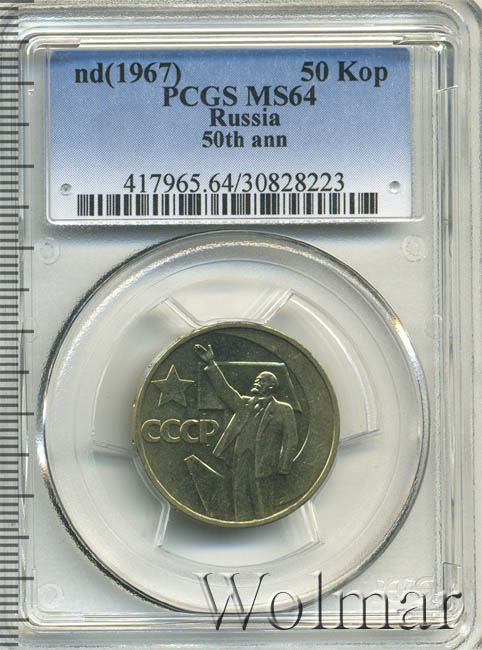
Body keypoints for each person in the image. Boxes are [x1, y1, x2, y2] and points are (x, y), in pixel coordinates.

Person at [194, 343, 298, 520]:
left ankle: (264, 528)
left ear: (271, 386)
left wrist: (284, 466)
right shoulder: (244, 403)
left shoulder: (283, 409)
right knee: (240, 500)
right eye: (257, 379)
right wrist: (211, 364)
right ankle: (240, 525)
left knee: (262, 504)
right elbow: (225, 390)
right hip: (240, 460)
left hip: (264, 464)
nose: (257, 382)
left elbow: (291, 439)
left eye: (262, 380)